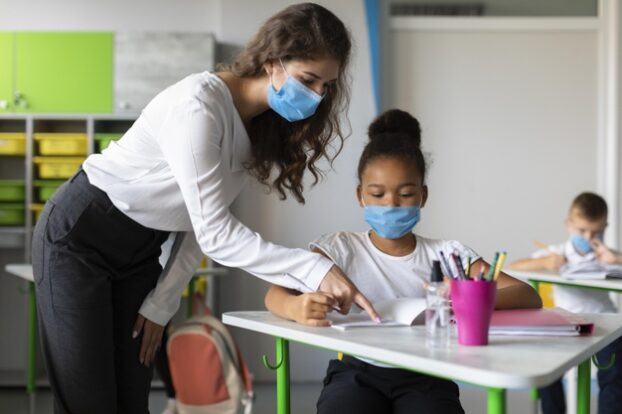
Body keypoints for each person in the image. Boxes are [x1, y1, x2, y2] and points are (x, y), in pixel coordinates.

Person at [31, 4, 379, 413]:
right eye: (308, 80)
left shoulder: (255, 127)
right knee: (89, 403)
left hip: (139, 252)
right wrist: (315, 269)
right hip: (80, 236)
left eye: (326, 86)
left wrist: (161, 305)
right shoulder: (199, 105)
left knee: (131, 400)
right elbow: (216, 234)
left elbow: (198, 224)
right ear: (272, 61)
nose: (318, 96)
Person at [265, 109, 542, 413]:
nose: (391, 205)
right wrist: (295, 307)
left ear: (423, 195)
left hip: (428, 372)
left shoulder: (448, 254)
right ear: (360, 195)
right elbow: (275, 295)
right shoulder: (340, 248)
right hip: (357, 371)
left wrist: (467, 298)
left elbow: (528, 295)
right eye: (377, 194)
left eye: (406, 194)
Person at [509, 192, 622, 414]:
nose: (589, 237)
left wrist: (616, 259)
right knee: (545, 368)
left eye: (596, 231)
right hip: (566, 323)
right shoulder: (557, 252)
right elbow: (515, 265)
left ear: (605, 227)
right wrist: (546, 262)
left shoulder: (607, 254)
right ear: (569, 224)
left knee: (615, 374)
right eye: (582, 230)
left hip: (605, 322)